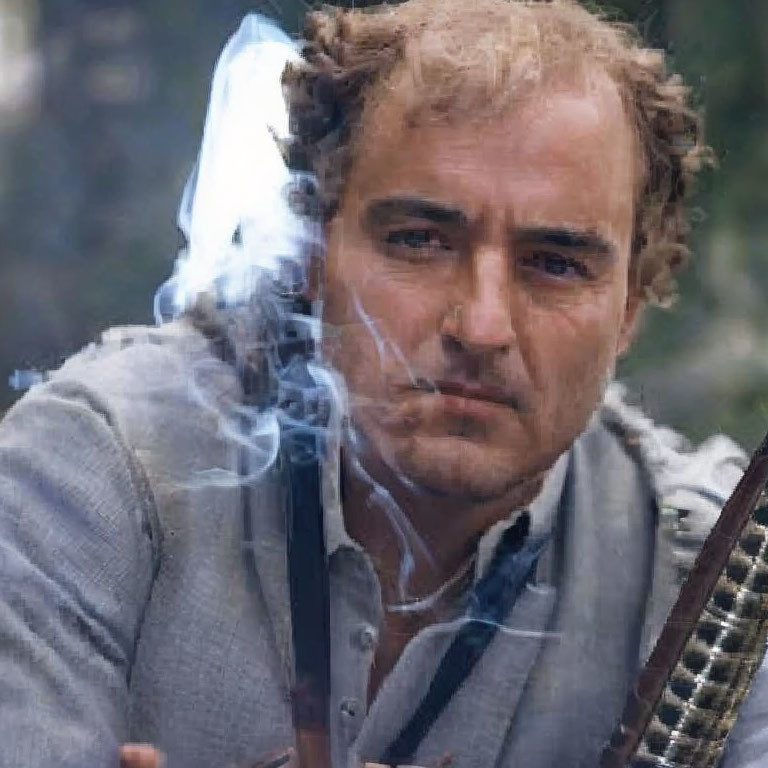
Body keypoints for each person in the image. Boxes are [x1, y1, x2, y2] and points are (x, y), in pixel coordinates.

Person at [0, 1, 761, 767]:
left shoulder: (717, 580)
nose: (482, 325)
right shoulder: (89, 475)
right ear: (311, 252)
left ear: (629, 307)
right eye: (420, 241)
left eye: (555, 263)